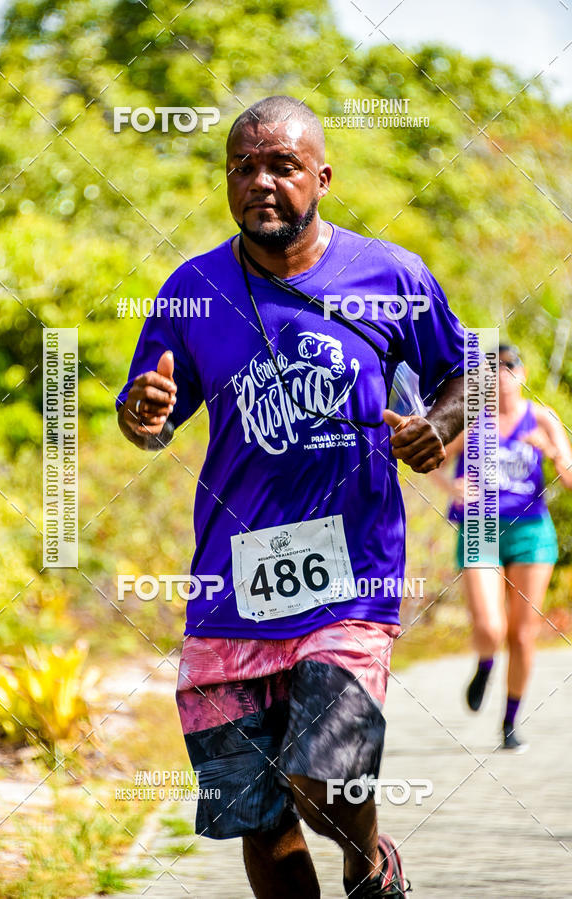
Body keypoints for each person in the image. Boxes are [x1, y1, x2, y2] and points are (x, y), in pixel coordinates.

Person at [117, 95, 467, 899]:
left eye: (282, 164)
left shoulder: (390, 275)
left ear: (322, 176)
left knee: (320, 778)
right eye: (244, 166)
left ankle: (372, 861)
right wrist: (142, 415)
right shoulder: (192, 288)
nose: (261, 181)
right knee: (258, 812)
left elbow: (464, 375)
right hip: (229, 587)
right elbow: (150, 417)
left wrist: (437, 428)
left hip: (351, 577)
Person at [434, 344, 572, 752]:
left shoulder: (542, 418)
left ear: (522, 373)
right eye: (491, 371)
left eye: (508, 367)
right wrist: (451, 487)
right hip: (480, 529)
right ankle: (485, 663)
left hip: (530, 531)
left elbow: (568, 478)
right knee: (490, 627)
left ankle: (509, 724)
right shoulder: (472, 419)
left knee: (522, 634)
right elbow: (435, 459)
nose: (500, 377)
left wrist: (550, 451)